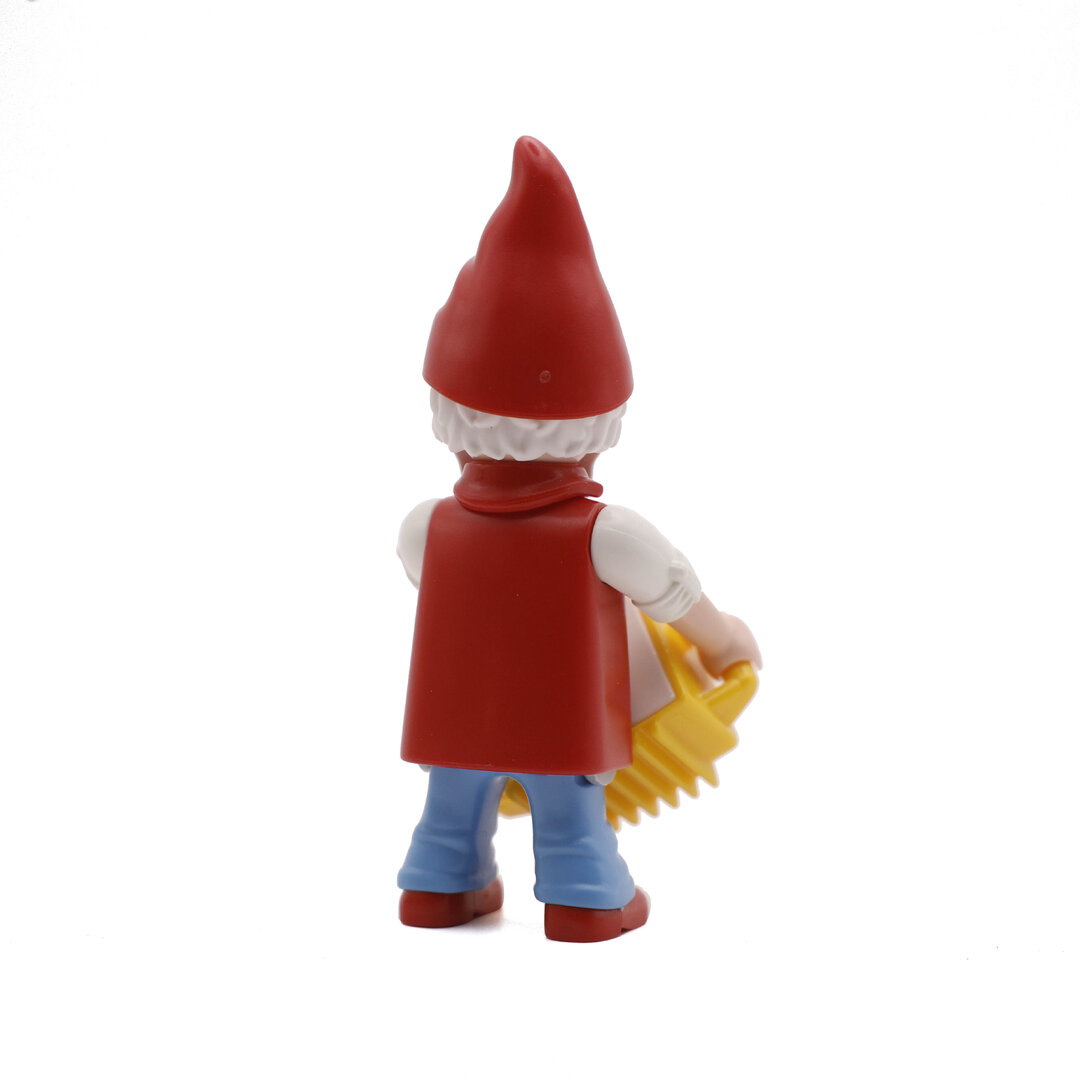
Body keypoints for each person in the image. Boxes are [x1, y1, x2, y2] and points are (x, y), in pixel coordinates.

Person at [395, 137, 761, 942]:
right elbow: (673, 593)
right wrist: (724, 639)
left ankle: (438, 884)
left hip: (453, 720)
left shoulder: (426, 527)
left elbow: (442, 590)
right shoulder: (606, 535)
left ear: (447, 406)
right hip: (559, 723)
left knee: (450, 797)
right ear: (599, 414)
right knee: (569, 805)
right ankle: (585, 897)